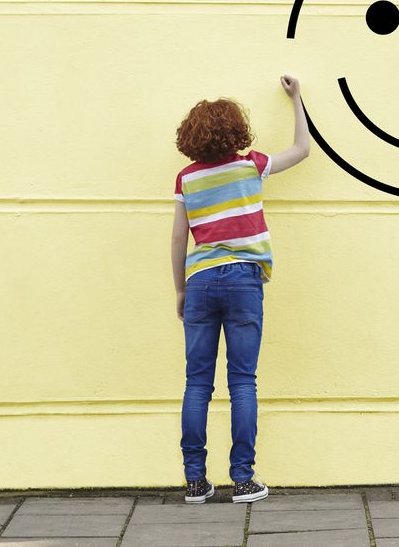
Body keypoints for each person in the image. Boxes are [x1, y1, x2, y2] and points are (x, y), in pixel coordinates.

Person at [171, 75, 310, 504]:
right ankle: (243, 481)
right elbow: (303, 150)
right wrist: (297, 98)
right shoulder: (251, 166)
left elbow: (179, 238)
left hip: (200, 281)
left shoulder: (187, 180)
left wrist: (180, 289)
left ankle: (195, 481)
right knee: (243, 381)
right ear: (236, 131)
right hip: (244, 280)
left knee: (197, 382)